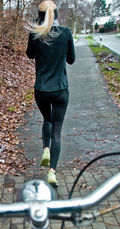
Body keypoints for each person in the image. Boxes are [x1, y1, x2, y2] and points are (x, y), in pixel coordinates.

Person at [26, 0, 75, 186]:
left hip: (41, 89)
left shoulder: (35, 35)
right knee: (57, 130)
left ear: (39, 16)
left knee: (47, 119)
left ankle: (45, 149)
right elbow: (71, 59)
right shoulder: (65, 33)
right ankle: (52, 172)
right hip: (61, 89)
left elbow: (30, 54)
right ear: (56, 15)